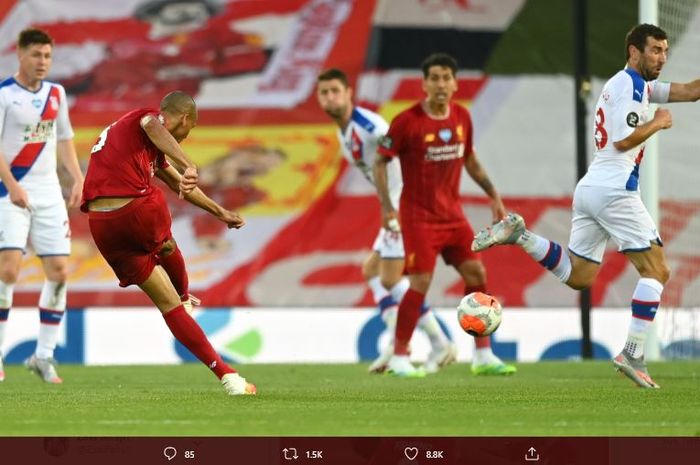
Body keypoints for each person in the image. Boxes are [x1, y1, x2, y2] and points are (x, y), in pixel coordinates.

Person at [472, 23, 700, 388]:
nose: (661, 57)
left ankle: (521, 235)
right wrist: (657, 122)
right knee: (657, 271)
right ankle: (633, 352)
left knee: (579, 275)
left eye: (665, 51)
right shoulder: (630, 86)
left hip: (591, 188)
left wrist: (661, 108)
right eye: (655, 50)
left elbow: (690, 91)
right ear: (634, 51)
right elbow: (624, 141)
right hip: (615, 190)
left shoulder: (636, 86)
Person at [81, 90, 255, 395]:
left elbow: (178, 184)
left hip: (102, 227)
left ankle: (229, 377)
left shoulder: (145, 149)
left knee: (168, 306)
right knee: (165, 239)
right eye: (192, 128)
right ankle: (185, 294)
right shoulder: (146, 119)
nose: (187, 136)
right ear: (185, 119)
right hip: (134, 209)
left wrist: (220, 213)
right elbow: (152, 124)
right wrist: (189, 163)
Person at [375, 53, 517, 377]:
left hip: (453, 217)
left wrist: (494, 196)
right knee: (421, 281)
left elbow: (470, 161)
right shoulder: (407, 122)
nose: (441, 84)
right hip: (418, 217)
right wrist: (387, 207)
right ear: (424, 84)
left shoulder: (462, 117)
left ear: (455, 83)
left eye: (446, 77)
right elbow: (380, 161)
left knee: (476, 276)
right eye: (434, 78)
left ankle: (482, 357)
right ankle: (399, 356)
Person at [316, 68, 456, 374]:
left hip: (404, 204)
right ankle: (404, 344)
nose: (330, 97)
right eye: (324, 93)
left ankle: (433, 344)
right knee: (372, 271)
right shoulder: (345, 129)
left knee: (391, 279)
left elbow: (403, 144)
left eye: (335, 91)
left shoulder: (369, 126)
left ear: (349, 92)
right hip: (395, 204)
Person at [0, 28, 84, 384]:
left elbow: (63, 138)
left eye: (47, 56)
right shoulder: (4, 96)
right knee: (8, 270)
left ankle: (43, 356)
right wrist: (12, 185)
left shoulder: (56, 94)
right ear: (20, 55)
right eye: (36, 55)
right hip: (9, 192)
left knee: (60, 272)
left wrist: (78, 178)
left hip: (48, 193)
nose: (42, 62)